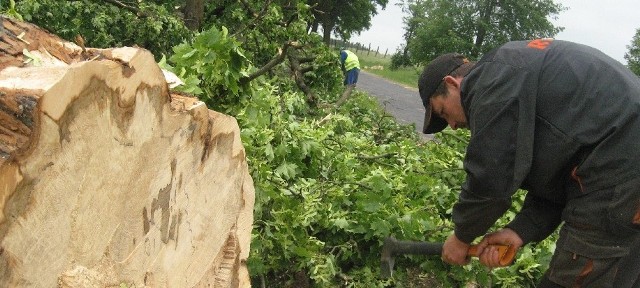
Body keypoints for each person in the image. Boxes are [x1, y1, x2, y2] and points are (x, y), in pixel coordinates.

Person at [418, 39, 640, 287]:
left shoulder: (490, 83)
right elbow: (557, 178)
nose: (453, 125)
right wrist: (519, 231)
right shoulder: (514, 73)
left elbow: (491, 177)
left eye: (443, 112)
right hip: (621, 163)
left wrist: (461, 237)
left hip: (622, 167)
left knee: (572, 277)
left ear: (452, 83)